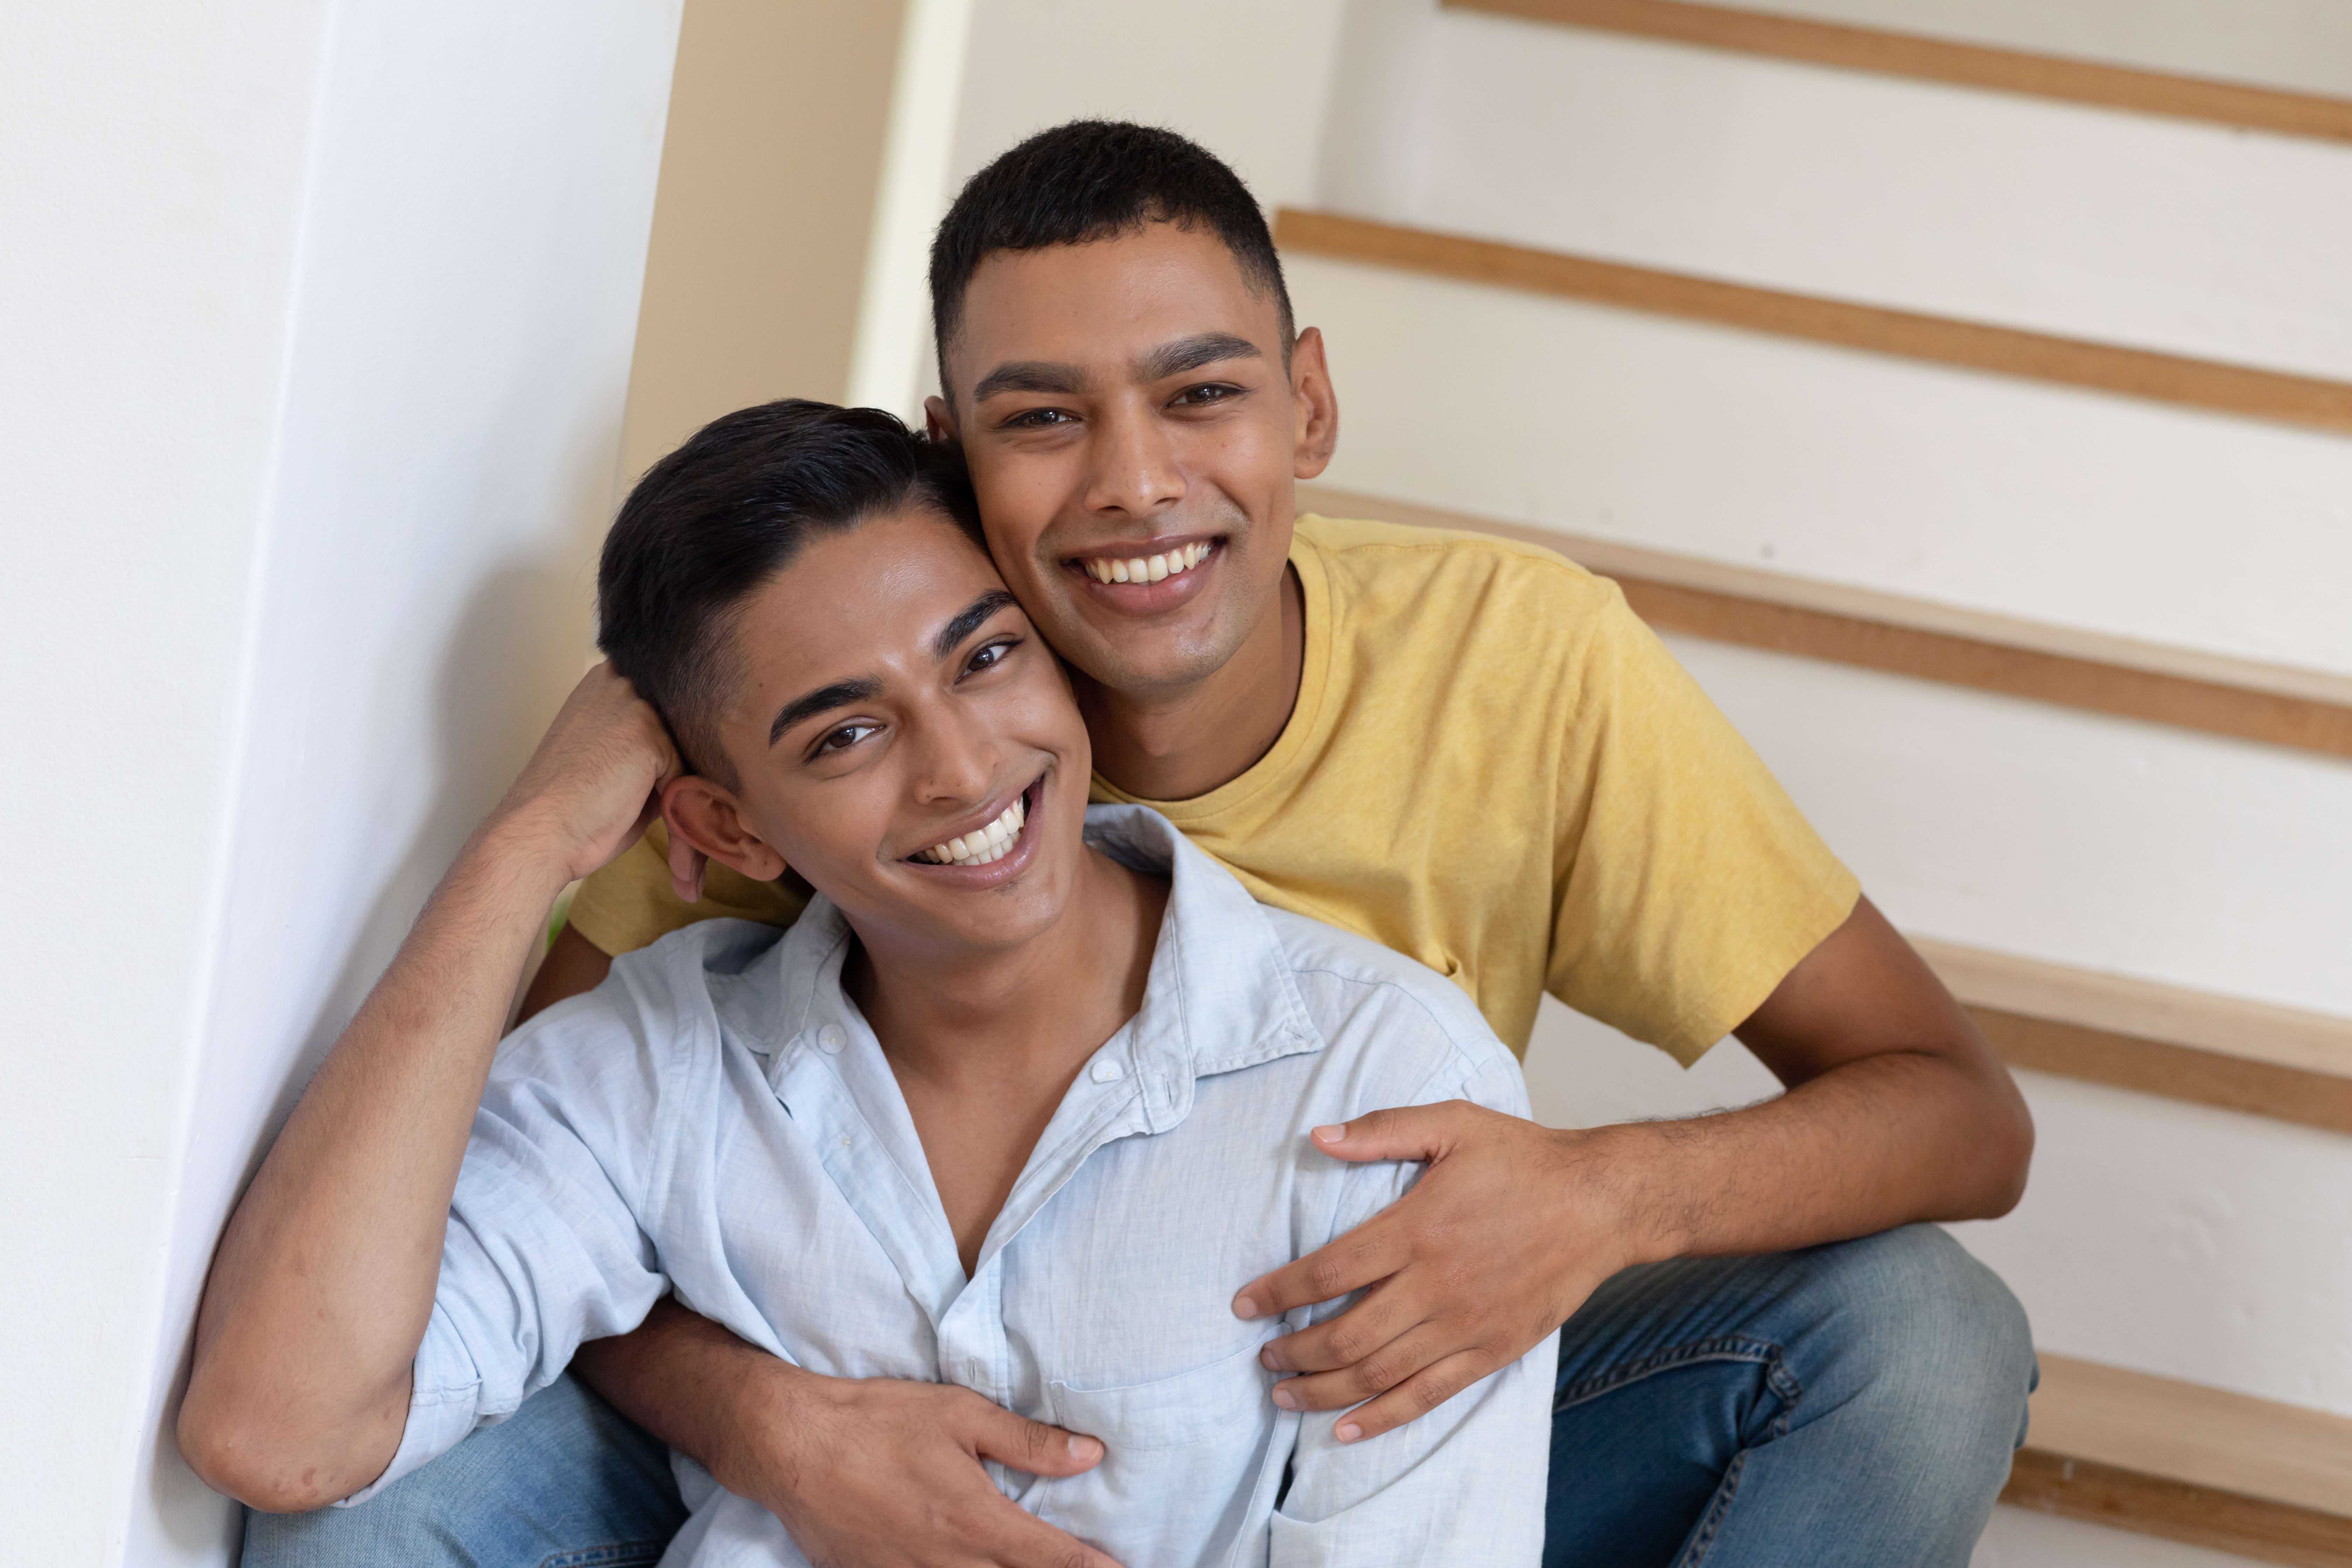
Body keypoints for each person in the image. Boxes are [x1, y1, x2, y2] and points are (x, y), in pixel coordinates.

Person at [239, 122, 2037, 1568]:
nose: (1134, 485)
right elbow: (509, 1202)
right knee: (366, 1504)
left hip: (1362, 1390)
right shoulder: (800, 725)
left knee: (1916, 1341)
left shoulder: (1515, 674)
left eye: (1200, 396)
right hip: (837, 1427)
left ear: (1308, 407)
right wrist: (773, 1425)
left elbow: (1956, 1110)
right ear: (953, 461)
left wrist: (1599, 1201)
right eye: (1042, 419)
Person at [179, 401, 1555, 1566]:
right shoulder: (661, 1064)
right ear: (731, 830)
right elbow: (277, 1429)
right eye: (845, 734)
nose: (962, 767)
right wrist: (528, 844)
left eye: (989, 656)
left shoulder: (1380, 1081)